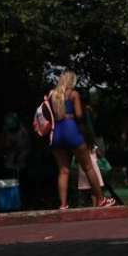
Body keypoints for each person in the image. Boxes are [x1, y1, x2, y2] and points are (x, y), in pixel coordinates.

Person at [48, 70, 115, 209]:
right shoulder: (73, 94)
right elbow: (79, 115)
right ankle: (101, 199)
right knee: (88, 166)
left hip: (56, 132)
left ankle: (63, 204)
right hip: (71, 129)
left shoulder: (52, 95)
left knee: (63, 170)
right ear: (71, 81)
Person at [0, 112, 30, 179]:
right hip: (10, 158)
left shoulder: (22, 130)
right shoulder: (5, 131)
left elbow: (27, 144)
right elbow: (3, 145)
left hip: (22, 156)